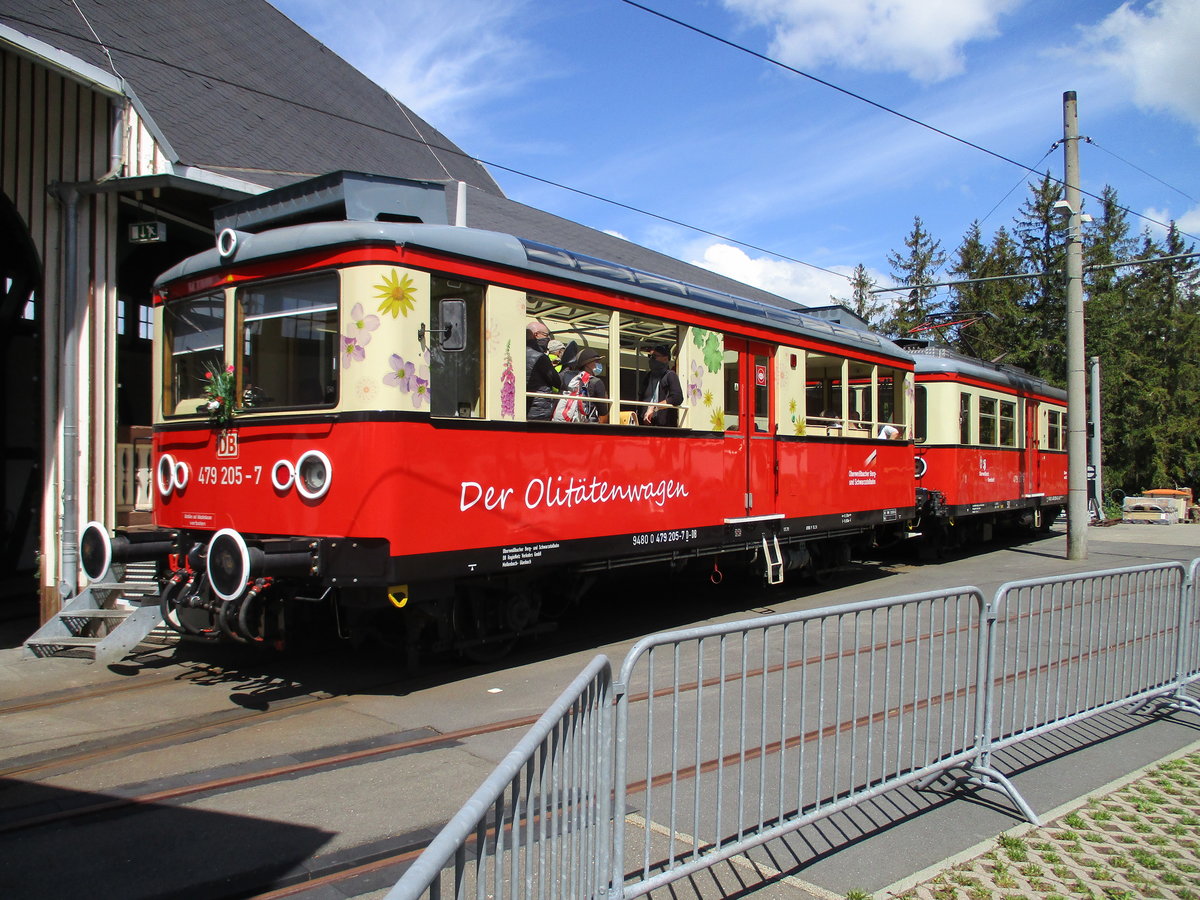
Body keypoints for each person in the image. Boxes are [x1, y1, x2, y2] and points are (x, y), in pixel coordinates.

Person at [525, 322, 561, 420]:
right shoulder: (541, 357)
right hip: (539, 411)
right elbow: (557, 382)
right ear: (536, 335)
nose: (548, 339)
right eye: (546, 335)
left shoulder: (515, 353)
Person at [641, 344, 683, 426]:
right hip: (646, 422)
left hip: (663, 425)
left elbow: (677, 398)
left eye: (654, 357)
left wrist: (655, 407)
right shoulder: (648, 376)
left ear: (665, 359)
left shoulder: (670, 375)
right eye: (650, 356)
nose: (651, 359)